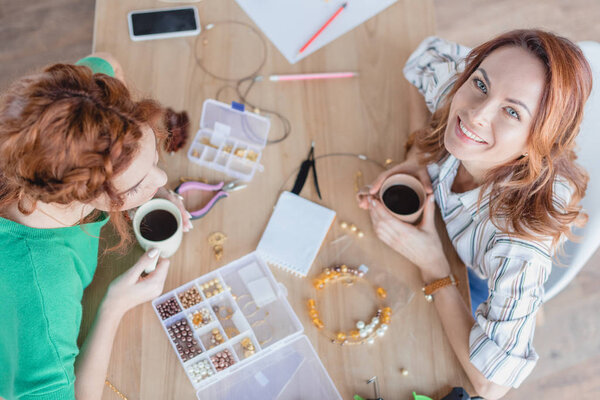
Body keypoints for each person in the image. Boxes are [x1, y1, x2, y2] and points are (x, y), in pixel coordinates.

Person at [358, 30, 592, 399]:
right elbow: (421, 57)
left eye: (512, 111)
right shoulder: (466, 89)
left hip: (475, 273)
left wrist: (435, 266)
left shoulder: (517, 248)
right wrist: (417, 156)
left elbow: (491, 385)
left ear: (538, 140)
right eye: (481, 83)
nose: (475, 114)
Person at [0, 53, 193, 400]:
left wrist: (144, 189)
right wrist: (114, 305)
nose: (164, 179)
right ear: (74, 193)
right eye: (134, 186)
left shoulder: (76, 112)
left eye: (153, 161)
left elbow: (105, 61)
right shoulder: (44, 291)